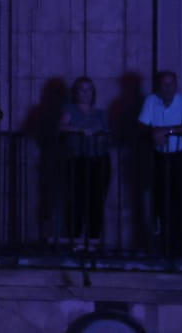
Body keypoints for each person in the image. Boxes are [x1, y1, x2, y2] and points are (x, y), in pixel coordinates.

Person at [139, 69, 182, 257]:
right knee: (161, 200)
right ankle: (166, 241)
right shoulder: (151, 101)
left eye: (171, 83)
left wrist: (166, 131)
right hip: (161, 156)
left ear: (176, 85)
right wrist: (153, 133)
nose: (167, 88)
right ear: (159, 85)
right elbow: (142, 124)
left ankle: (179, 242)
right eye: (164, 84)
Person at [58, 76, 110, 251]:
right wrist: (80, 130)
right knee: (77, 200)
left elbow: (108, 133)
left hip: (99, 159)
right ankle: (76, 239)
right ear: (76, 92)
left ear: (93, 93)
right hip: (78, 160)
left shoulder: (101, 113)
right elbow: (61, 127)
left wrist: (99, 133)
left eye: (89, 90)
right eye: (82, 89)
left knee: (97, 201)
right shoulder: (69, 109)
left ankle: (93, 240)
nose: (85, 93)